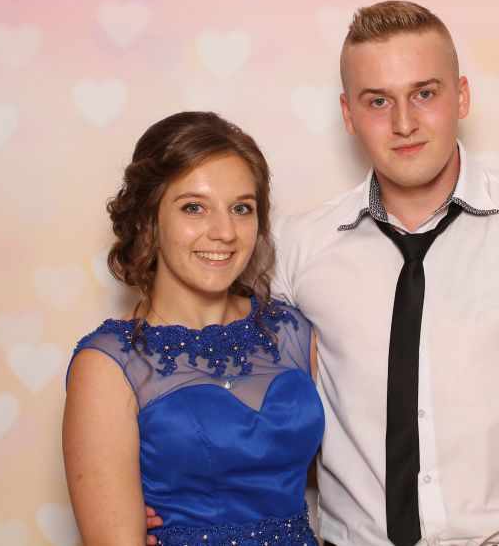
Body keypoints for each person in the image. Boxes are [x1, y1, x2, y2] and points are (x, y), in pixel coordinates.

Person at [149, 2, 499, 545]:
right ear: (348, 114)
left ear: (461, 95)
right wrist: (151, 497)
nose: (404, 123)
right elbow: (223, 387)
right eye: (378, 101)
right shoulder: (295, 246)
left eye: (425, 93)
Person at [64, 111, 323, 546]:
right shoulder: (108, 365)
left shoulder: (295, 333)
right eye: (194, 208)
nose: (224, 232)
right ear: (147, 220)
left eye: (241, 208)